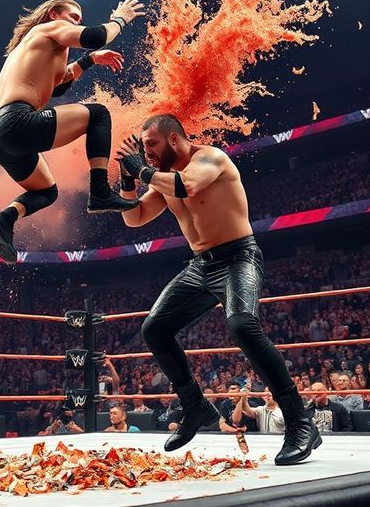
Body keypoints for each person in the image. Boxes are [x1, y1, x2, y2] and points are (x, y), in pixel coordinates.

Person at [116, 113, 319, 465]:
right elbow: (134, 218)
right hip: (200, 265)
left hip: (238, 255)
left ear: (174, 140)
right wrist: (127, 179)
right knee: (155, 329)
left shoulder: (209, 158)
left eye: (152, 145)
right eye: (143, 147)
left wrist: (143, 171)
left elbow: (187, 187)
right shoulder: (163, 178)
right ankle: (194, 405)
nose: (147, 152)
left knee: (241, 325)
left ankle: (301, 422)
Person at [0, 0, 146, 263]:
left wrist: (90, 60)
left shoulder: (40, 47)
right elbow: (97, 35)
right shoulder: (49, 29)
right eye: (73, 17)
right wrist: (121, 18)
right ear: (53, 14)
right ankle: (100, 191)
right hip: (16, 121)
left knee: (47, 191)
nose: (77, 23)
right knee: (98, 114)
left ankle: (4, 219)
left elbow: (58, 84)